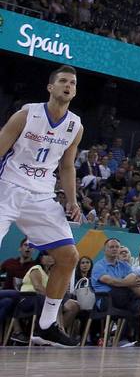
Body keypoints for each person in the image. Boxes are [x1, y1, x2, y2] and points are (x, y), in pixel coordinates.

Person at [0, 65, 84, 346]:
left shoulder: (75, 126)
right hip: (7, 189)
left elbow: (68, 166)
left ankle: (47, 324)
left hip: (41, 197)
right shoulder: (26, 115)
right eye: (62, 81)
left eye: (72, 82)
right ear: (50, 87)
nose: (68, 85)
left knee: (69, 257)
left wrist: (72, 201)